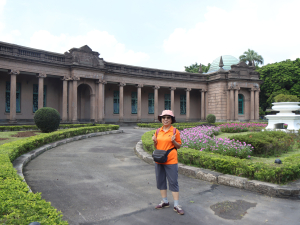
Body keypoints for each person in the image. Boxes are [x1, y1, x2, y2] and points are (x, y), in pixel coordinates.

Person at [152, 110, 184, 215]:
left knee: (173, 182)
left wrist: (174, 141)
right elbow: (157, 147)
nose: (165, 119)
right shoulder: (158, 131)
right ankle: (165, 201)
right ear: (161, 119)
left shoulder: (175, 131)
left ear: (171, 120)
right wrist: (154, 142)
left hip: (171, 160)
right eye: (164, 117)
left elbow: (178, 146)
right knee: (161, 181)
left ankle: (176, 205)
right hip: (159, 160)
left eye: (168, 118)